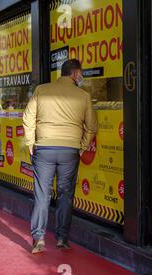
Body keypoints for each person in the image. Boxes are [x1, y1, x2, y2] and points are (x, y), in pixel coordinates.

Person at [23, 59, 97, 254]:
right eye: (80, 74)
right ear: (73, 74)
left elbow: (28, 116)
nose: (81, 77)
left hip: (44, 149)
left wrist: (31, 141)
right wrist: (82, 147)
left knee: (42, 194)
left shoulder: (41, 90)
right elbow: (91, 127)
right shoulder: (83, 96)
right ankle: (62, 238)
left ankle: (38, 238)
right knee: (65, 194)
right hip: (69, 151)